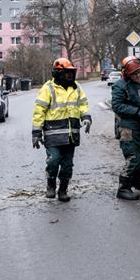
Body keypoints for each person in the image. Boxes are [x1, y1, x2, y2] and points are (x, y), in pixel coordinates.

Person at [30, 58, 91, 201]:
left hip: (71, 134)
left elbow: (83, 104)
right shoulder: (48, 89)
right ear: (58, 73)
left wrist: (86, 117)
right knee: (53, 160)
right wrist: (36, 132)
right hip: (53, 135)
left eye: (71, 73)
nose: (70, 76)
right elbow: (39, 111)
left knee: (67, 165)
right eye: (67, 73)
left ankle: (63, 190)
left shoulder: (76, 87)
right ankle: (51, 185)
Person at [110, 55, 140, 200]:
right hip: (127, 125)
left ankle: (136, 179)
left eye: (139, 72)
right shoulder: (120, 86)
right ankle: (123, 188)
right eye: (134, 74)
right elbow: (117, 106)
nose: (138, 76)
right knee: (134, 157)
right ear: (127, 74)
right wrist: (137, 112)